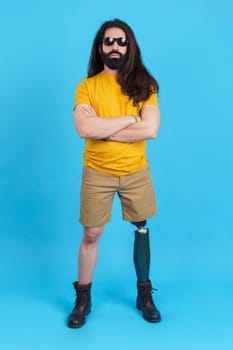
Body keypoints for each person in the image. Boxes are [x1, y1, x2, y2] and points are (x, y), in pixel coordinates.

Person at [68, 18, 161, 328]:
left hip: (135, 171)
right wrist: (128, 120)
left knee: (141, 228)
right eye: (109, 41)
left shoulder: (145, 85)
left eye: (121, 41)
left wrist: (103, 129)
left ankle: (144, 294)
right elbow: (83, 127)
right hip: (97, 171)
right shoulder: (87, 86)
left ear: (129, 46)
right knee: (91, 233)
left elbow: (151, 129)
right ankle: (83, 297)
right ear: (100, 47)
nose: (115, 46)